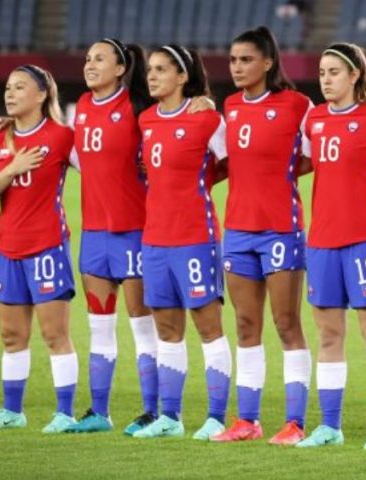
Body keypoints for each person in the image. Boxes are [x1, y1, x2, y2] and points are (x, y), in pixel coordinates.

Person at [297, 43, 366, 450]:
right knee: (328, 336)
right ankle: (330, 426)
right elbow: (304, 163)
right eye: (322, 72)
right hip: (322, 241)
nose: (326, 80)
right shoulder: (314, 120)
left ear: (355, 75)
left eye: (334, 72)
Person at [211, 27, 314, 445]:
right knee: (245, 324)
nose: (237, 67)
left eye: (246, 60)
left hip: (280, 229)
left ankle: (295, 423)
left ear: (268, 63)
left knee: (286, 323)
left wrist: (281, 175)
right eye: (233, 60)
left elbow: (314, 154)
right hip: (238, 229)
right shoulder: (231, 106)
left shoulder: (297, 105)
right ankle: (247, 421)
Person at [132, 45, 232, 441]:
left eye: (161, 69)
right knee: (167, 330)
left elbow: (232, 164)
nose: (152, 76)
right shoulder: (145, 119)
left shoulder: (207, 119)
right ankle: (170, 418)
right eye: (150, 69)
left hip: (195, 238)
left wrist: (200, 183)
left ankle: (216, 417)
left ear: (183, 76)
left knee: (208, 328)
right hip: (155, 239)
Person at [62, 38, 160, 435]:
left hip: (134, 230)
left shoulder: (139, 108)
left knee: (143, 326)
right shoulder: (83, 107)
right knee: (99, 326)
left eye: (99, 59)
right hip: (95, 233)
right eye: (87, 59)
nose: (89, 65)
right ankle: (99, 413)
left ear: (121, 68)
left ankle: (153, 412)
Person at [0, 65, 80, 433]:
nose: (10, 93)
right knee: (12, 337)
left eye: (20, 87)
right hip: (7, 249)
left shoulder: (62, 137)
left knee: (55, 336)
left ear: (42, 94)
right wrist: (11, 168)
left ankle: (65, 414)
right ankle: (12, 412)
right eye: (8, 87)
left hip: (47, 247)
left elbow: (99, 170)